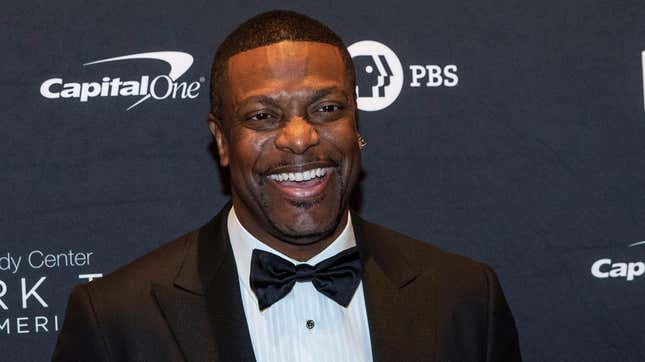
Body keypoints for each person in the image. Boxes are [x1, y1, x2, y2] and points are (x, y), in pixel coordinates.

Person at [52, 10, 521, 362]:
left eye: (326, 109)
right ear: (222, 140)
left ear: (357, 123)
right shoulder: (117, 322)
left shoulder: (465, 299)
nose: (299, 138)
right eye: (262, 116)